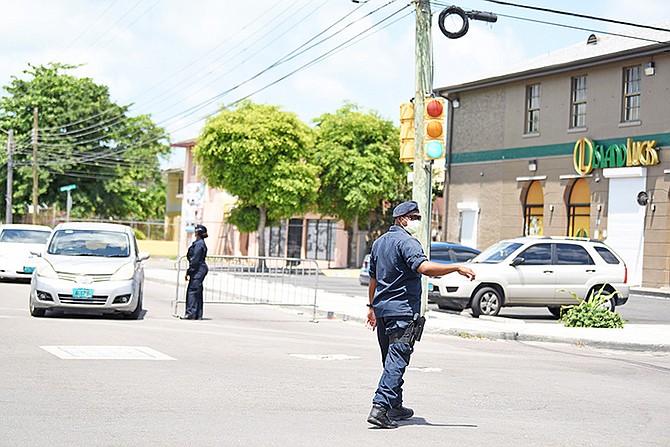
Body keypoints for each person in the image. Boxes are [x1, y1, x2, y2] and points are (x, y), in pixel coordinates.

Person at [365, 200, 476, 429]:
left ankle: (395, 405)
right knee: (397, 359)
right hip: (402, 312)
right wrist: (456, 267)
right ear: (402, 219)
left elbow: (373, 279)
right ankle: (380, 406)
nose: (417, 221)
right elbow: (423, 268)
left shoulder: (379, 243)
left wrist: (371, 307)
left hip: (384, 310)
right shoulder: (408, 242)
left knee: (390, 359)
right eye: (414, 217)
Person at [181, 224, 209, 320]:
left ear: (198, 233)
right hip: (199, 268)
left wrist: (189, 271)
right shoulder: (199, 243)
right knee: (197, 291)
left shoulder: (199, 244)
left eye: (196, 231)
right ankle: (198, 314)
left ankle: (191, 313)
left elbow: (195, 260)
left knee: (192, 291)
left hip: (198, 269)